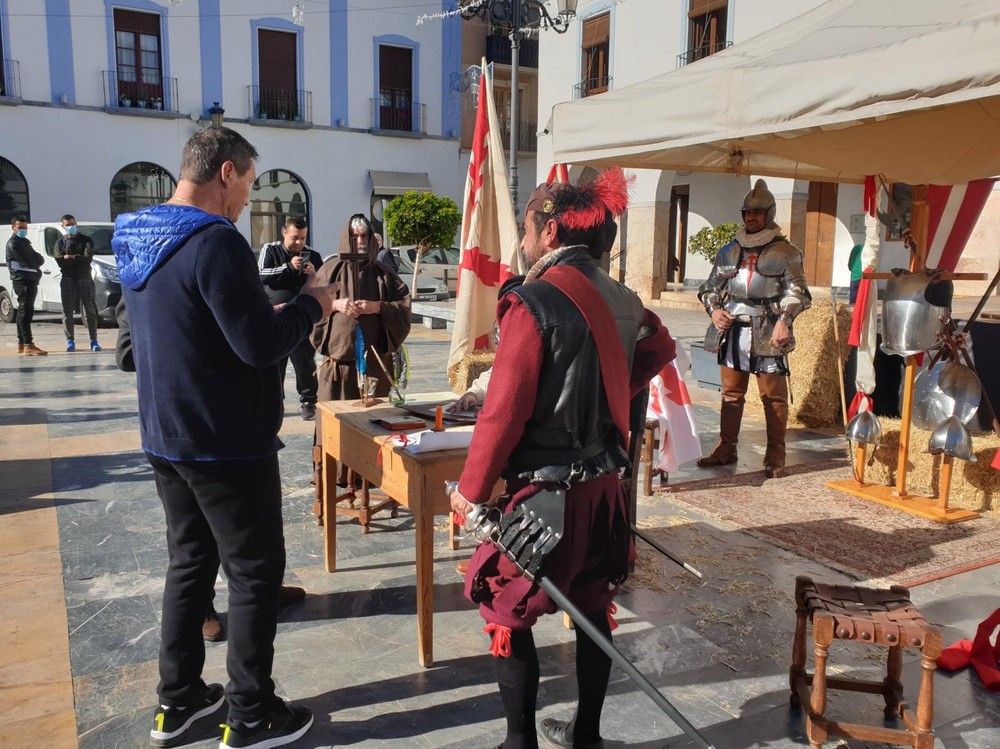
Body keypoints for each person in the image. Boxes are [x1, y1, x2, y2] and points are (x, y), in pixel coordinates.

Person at [112, 126, 335, 749]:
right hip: (225, 441)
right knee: (254, 572)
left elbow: (138, 348)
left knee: (189, 562)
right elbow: (258, 345)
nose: (245, 200)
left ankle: (177, 700)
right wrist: (313, 303)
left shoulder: (137, 235)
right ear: (227, 173)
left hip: (165, 435)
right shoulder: (215, 241)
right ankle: (251, 713)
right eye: (248, 184)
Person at [448, 170, 675, 749]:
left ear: (549, 232)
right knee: (593, 605)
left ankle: (519, 743)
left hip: (544, 497)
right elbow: (659, 346)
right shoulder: (625, 298)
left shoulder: (532, 300)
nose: (522, 244)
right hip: (603, 490)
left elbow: (504, 413)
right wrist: (613, 392)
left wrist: (470, 493)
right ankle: (588, 738)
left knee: (505, 608)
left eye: (526, 231)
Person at [696, 178, 811, 479]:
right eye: (748, 212)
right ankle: (726, 448)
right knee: (731, 395)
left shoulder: (787, 251)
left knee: (773, 397)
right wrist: (714, 310)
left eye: (758, 213)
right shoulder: (728, 251)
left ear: (769, 214)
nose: (752, 218)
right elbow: (709, 287)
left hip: (769, 325)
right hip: (733, 327)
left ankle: (776, 455)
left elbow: (798, 292)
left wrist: (785, 321)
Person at [310, 214, 411, 481]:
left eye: (365, 236)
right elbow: (308, 306)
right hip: (339, 367)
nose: (360, 241)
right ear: (347, 238)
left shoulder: (384, 275)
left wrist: (377, 307)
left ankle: (372, 477)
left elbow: (403, 308)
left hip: (375, 368)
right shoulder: (330, 270)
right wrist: (336, 305)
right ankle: (335, 476)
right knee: (334, 426)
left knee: (374, 424)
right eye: (355, 236)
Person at [258, 216, 325, 420]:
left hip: (301, 318)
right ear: (284, 232)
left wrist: (313, 274)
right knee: (274, 363)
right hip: (275, 318)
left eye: (303, 238)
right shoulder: (270, 249)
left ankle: (308, 401)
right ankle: (274, 403)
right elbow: (261, 274)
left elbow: (322, 282)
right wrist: (289, 267)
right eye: (295, 237)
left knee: (305, 362)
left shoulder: (312, 254)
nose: (298, 243)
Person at [54, 214, 102, 352]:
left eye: (72, 224)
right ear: (63, 226)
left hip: (84, 278)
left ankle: (94, 340)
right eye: (67, 225)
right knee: (67, 311)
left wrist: (70, 257)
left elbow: (88, 259)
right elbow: (60, 260)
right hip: (68, 279)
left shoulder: (86, 240)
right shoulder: (60, 243)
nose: (70, 227)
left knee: (90, 310)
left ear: (76, 223)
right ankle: (70, 341)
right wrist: (76, 259)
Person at [6, 215, 47, 356]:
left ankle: (22, 344)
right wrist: (34, 261)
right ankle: (28, 344)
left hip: (29, 279)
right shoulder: (14, 244)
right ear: (13, 228)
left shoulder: (24, 242)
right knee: (24, 311)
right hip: (22, 280)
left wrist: (34, 260)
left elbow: (39, 258)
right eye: (20, 228)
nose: (23, 230)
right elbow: (32, 261)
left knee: (25, 312)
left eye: (25, 227)